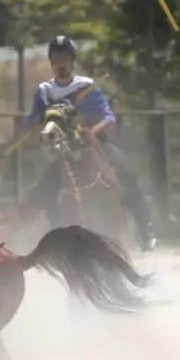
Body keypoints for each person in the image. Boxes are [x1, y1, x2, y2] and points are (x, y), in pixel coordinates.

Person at [21, 35, 157, 251]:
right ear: (51, 62)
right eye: (56, 59)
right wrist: (32, 126)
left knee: (127, 171)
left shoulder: (86, 86)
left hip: (94, 143)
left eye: (65, 58)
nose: (61, 64)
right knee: (46, 188)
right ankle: (58, 237)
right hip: (62, 150)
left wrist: (92, 132)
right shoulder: (44, 91)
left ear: (72, 60)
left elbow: (108, 116)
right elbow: (34, 118)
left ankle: (144, 228)